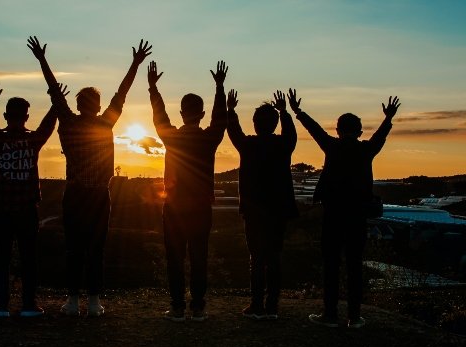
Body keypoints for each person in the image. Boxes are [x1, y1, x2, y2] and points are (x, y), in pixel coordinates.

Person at [27, 36, 152, 316]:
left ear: (79, 103)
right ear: (97, 105)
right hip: (98, 195)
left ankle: (72, 300)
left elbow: (54, 91)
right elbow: (122, 93)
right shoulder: (106, 122)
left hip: (74, 194)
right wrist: (135, 63)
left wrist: (42, 60)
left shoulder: (68, 123)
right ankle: (94, 302)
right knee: (96, 248)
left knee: (74, 248)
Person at [291, 89, 400, 328]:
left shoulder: (332, 147)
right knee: (354, 266)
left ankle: (330, 314)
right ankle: (354, 316)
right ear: (359, 131)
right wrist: (388, 118)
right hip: (358, 216)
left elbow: (315, 130)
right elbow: (380, 136)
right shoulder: (365, 150)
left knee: (331, 264)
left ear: (338, 130)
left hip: (333, 215)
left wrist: (298, 111)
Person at [148, 60, 228, 322]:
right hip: (201, 207)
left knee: (175, 258)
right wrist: (219, 88)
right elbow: (221, 120)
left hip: (173, 206)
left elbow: (159, 117)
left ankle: (178, 307)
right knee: (199, 257)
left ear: (181, 113)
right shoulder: (209, 139)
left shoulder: (171, 137)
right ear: (201, 114)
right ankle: (198, 307)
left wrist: (153, 89)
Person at [0, 79, 68, 318]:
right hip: (27, 209)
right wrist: (55, 103)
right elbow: (48, 126)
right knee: (29, 258)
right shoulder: (33, 140)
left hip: (1, 208)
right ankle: (29, 304)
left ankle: (1, 305)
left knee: (2, 258)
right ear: (26, 116)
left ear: (6, 115)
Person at [226, 89, 298, 320]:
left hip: (254, 211)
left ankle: (256, 305)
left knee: (256, 258)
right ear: (275, 124)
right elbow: (291, 134)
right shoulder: (284, 145)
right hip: (278, 210)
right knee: (274, 257)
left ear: (255, 124)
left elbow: (233, 131)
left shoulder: (248, 145)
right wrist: (285, 112)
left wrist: (231, 110)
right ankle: (272, 306)